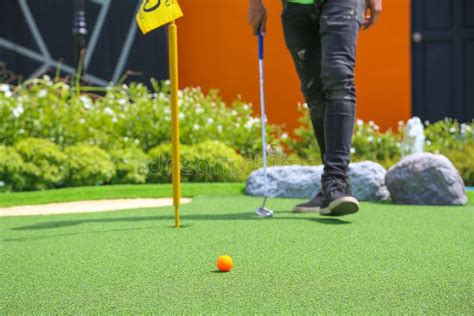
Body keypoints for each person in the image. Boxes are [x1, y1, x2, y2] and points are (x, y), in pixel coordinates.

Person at [248, 0, 382, 216]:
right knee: (314, 93)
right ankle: (334, 188)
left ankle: (335, 182)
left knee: (339, 77)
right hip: (295, 5)